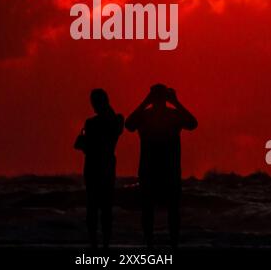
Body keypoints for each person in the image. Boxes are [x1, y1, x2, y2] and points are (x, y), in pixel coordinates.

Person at [125, 84, 198, 248]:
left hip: (155, 169)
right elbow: (128, 125)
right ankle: (168, 243)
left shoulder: (153, 116)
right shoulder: (169, 116)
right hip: (163, 170)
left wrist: (146, 102)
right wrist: (175, 102)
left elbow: (193, 124)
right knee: (164, 210)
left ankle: (155, 242)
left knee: (156, 210)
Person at [74, 89, 124, 249]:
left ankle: (94, 242)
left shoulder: (91, 123)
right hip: (107, 167)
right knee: (105, 208)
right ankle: (105, 243)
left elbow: (85, 146)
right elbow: (116, 128)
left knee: (93, 207)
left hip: (93, 167)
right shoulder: (116, 120)